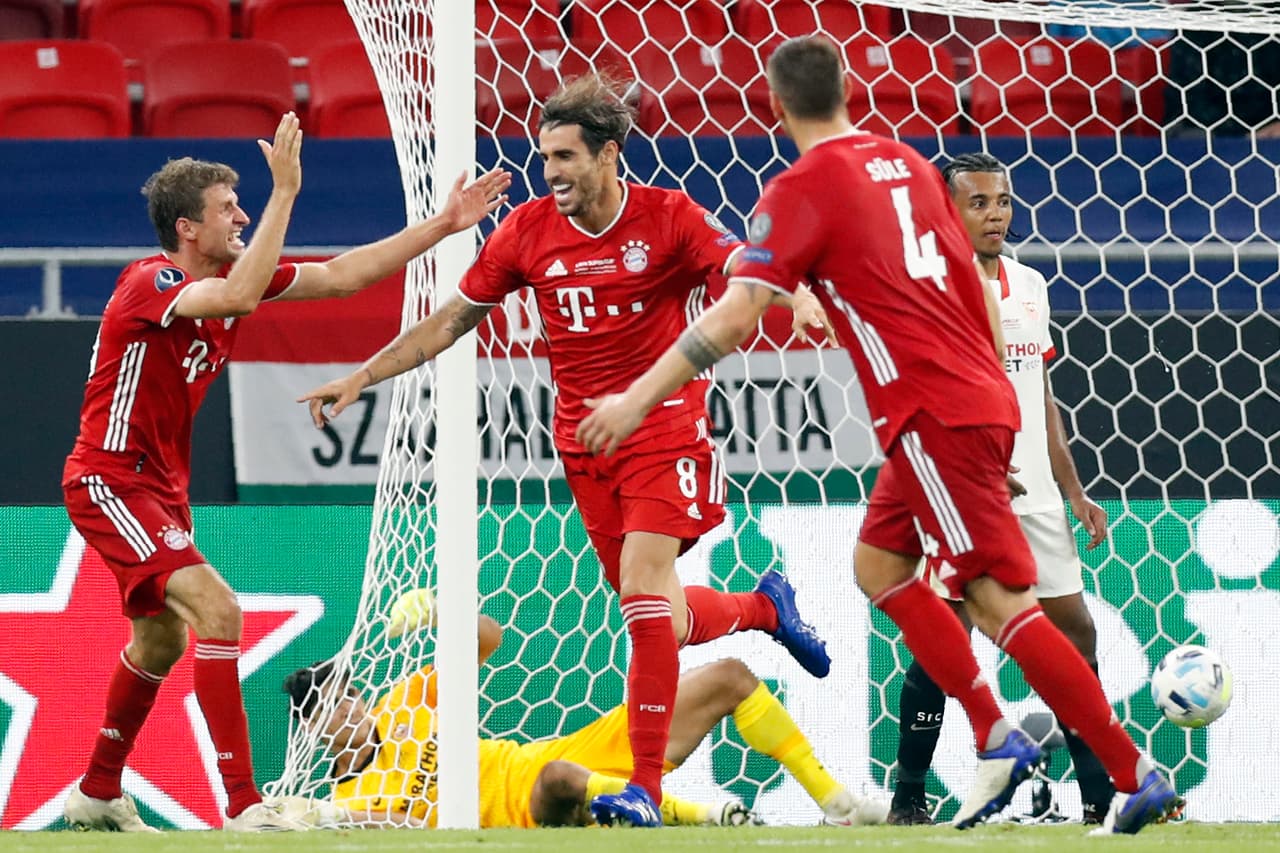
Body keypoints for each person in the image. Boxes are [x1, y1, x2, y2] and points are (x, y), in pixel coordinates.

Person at [574, 36, 1182, 835]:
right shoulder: (908, 161)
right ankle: (996, 729)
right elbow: (975, 280)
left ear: (774, 102)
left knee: (998, 602)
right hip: (972, 399)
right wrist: (997, 406)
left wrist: (634, 397)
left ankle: (1126, 768)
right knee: (878, 564)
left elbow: (736, 313)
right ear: (850, 90)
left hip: (934, 410)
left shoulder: (800, 188)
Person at [298, 73, 836, 828]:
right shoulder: (525, 231)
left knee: (646, 593)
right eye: (543, 157)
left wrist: (798, 295)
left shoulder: (668, 217)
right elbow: (451, 320)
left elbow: (746, 271)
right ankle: (762, 607)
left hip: (662, 422)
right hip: (586, 441)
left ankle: (643, 790)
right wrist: (363, 375)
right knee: (659, 613)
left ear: (609, 154)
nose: (549, 173)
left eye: (564, 157)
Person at [60, 111, 512, 833]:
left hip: (162, 490)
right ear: (185, 228)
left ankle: (97, 788)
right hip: (112, 479)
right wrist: (285, 193)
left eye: (245, 204)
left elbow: (339, 276)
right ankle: (243, 804)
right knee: (221, 612)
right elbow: (237, 294)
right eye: (226, 209)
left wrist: (443, 225)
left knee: (160, 642)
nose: (240, 216)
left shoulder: (230, 279)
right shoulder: (155, 279)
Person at [885, 152, 1114, 826]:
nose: (996, 214)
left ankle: (1102, 797)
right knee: (946, 639)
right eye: (979, 201)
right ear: (946, 209)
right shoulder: (926, 287)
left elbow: (1039, 394)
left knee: (1076, 633)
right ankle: (907, 799)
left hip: (1036, 495)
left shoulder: (1030, 284)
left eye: (1003, 201)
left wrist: (1073, 490)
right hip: (964, 489)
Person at [281, 608, 886, 829]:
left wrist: (441, 612)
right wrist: (326, 815)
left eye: (350, 692)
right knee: (559, 780)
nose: (352, 707)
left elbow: (489, 638)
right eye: (335, 703)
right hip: (532, 807)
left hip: (562, 749)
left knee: (729, 676)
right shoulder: (352, 796)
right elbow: (384, 827)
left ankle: (836, 805)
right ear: (313, 729)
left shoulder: (404, 706)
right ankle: (705, 818)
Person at [1164, 30, 1280, 138]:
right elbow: (1192, 103)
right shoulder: (1193, 27)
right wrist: (1245, 136)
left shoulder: (1273, 20)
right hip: (1202, 129)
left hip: (1270, 129)